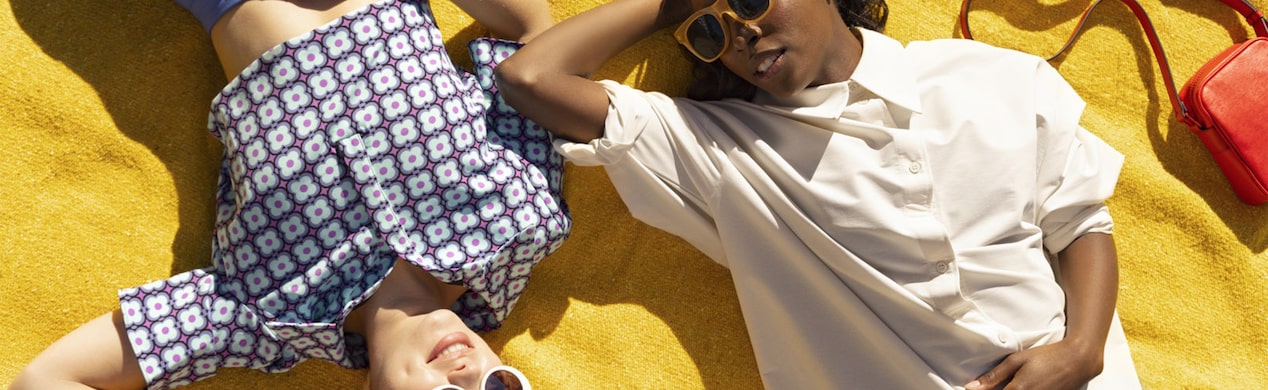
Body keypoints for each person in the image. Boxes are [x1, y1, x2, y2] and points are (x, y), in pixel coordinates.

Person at [495, 0, 1140, 388]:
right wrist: (672, 3)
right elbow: (530, 77)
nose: (738, 35)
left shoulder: (990, 78)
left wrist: (1083, 349)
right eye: (709, 33)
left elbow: (1081, 218)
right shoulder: (723, 152)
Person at [11, 0, 568, 389]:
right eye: (499, 388)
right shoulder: (524, 228)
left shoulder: (268, 321)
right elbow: (532, 45)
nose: (467, 376)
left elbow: (47, 379)